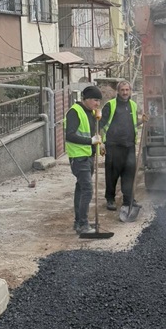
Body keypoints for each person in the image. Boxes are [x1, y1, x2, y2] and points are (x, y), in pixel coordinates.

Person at [101, 81, 145, 211]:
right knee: (112, 175)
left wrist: (141, 121)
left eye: (127, 90)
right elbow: (100, 124)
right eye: (122, 90)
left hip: (129, 146)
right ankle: (110, 199)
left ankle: (128, 199)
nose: (125, 92)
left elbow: (132, 123)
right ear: (118, 91)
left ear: (130, 91)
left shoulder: (133, 105)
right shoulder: (110, 105)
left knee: (129, 174)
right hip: (113, 146)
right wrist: (100, 143)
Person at [64, 85, 102, 235]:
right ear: (85, 99)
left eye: (99, 100)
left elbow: (93, 134)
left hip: (88, 156)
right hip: (79, 158)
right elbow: (70, 135)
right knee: (87, 189)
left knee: (81, 189)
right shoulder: (75, 112)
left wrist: (99, 144)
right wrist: (90, 141)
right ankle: (83, 224)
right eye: (95, 100)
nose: (97, 103)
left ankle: (78, 222)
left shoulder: (91, 113)